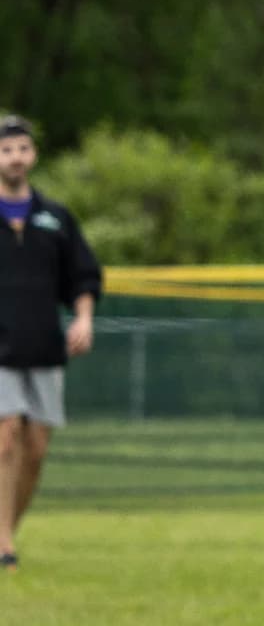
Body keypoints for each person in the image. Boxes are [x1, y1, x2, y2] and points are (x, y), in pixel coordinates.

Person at [0, 114, 102, 574]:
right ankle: (4, 545)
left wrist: (84, 319)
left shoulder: (55, 219)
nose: (15, 158)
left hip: (43, 347)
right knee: (6, 436)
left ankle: (6, 530)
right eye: (6, 150)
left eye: (22, 149)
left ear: (34, 155)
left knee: (36, 449)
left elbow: (83, 277)